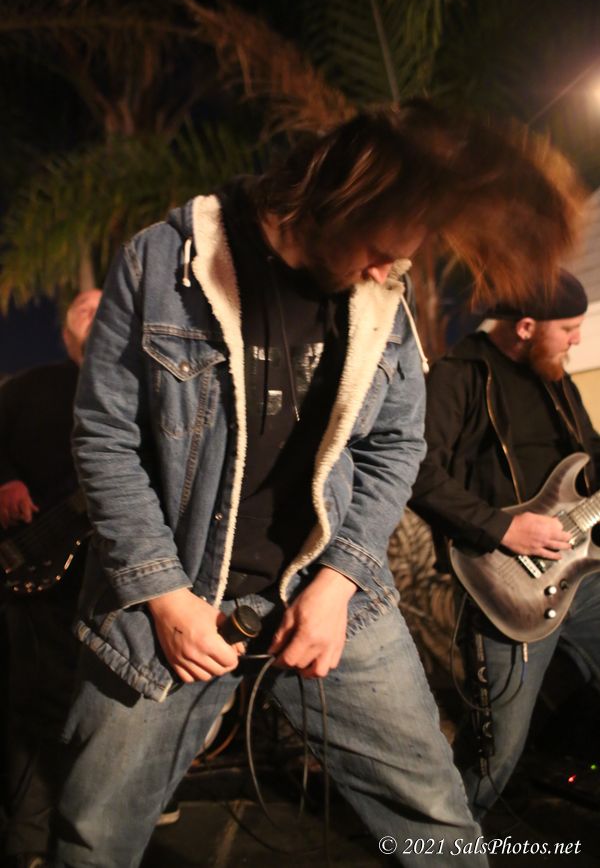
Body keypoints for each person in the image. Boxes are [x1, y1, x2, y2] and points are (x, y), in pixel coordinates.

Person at [54, 101, 581, 868]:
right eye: (378, 253)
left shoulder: (382, 288)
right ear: (334, 198)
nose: (386, 275)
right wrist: (163, 595)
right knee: (93, 840)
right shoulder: (162, 260)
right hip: (171, 606)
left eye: (399, 262)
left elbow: (398, 444)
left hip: (333, 596)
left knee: (439, 826)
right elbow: (104, 439)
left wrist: (338, 583)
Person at [410, 268, 600, 819]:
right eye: (567, 328)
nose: (577, 339)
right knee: (495, 755)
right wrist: (504, 528)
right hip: (508, 583)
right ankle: (436, 844)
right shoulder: (460, 375)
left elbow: (586, 460)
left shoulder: (554, 377)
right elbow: (418, 472)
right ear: (525, 327)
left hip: (580, 574)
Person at [0, 290, 102, 868]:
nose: (94, 310)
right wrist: (5, 480)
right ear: (65, 335)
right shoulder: (30, 386)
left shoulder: (148, 389)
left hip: (117, 578)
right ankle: (28, 842)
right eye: (82, 308)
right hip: (37, 572)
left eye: (104, 305)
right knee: (36, 702)